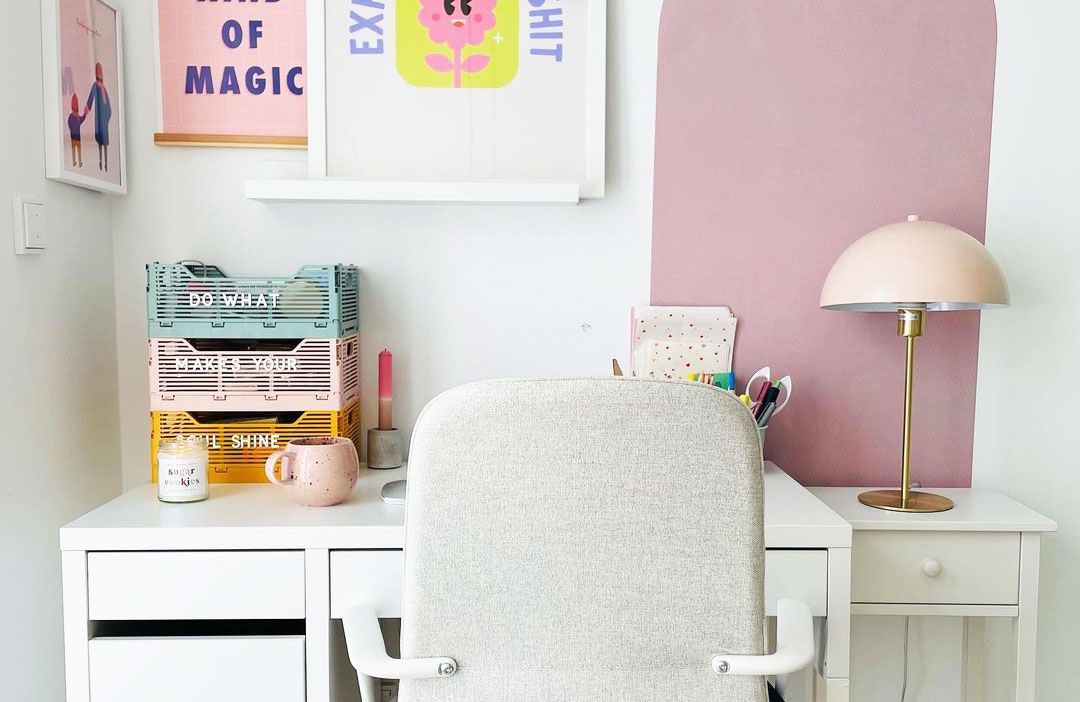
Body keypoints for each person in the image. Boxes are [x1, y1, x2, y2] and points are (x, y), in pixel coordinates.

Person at [85, 62, 112, 172]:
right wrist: (88, 107)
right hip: (102, 118)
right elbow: (92, 98)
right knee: (101, 142)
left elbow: (92, 99)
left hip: (103, 118)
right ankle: (102, 162)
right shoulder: (98, 86)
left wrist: (87, 108)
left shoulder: (101, 88)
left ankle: (104, 163)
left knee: (103, 142)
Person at [67, 94, 88, 168]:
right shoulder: (74, 117)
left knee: (77, 150)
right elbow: (71, 125)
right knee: (75, 150)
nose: (76, 112)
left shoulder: (74, 117)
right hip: (75, 137)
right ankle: (75, 162)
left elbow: (81, 119)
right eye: (75, 111)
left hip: (75, 137)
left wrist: (85, 114)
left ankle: (78, 162)